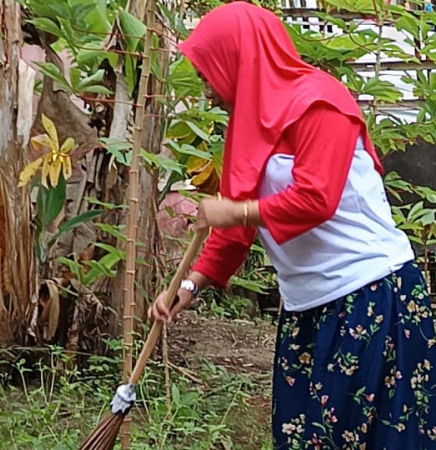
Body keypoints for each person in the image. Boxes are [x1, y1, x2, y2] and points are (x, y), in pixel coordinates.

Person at [149, 2, 436, 448]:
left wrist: (235, 211)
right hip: (308, 309)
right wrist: (186, 287)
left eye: (208, 74)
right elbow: (233, 231)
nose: (206, 90)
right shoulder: (246, 126)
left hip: (371, 298)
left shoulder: (321, 104)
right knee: (309, 438)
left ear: (238, 59)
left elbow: (315, 197)